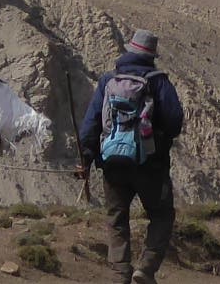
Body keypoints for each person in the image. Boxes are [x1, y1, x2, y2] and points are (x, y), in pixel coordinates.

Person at [77, 29, 184, 284]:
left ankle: (120, 274)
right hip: (151, 165)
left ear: (129, 51)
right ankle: (145, 269)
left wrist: (86, 159)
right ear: (151, 56)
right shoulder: (158, 81)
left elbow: (90, 124)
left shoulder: (108, 81)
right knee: (161, 216)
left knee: (117, 220)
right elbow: (174, 122)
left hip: (112, 164)